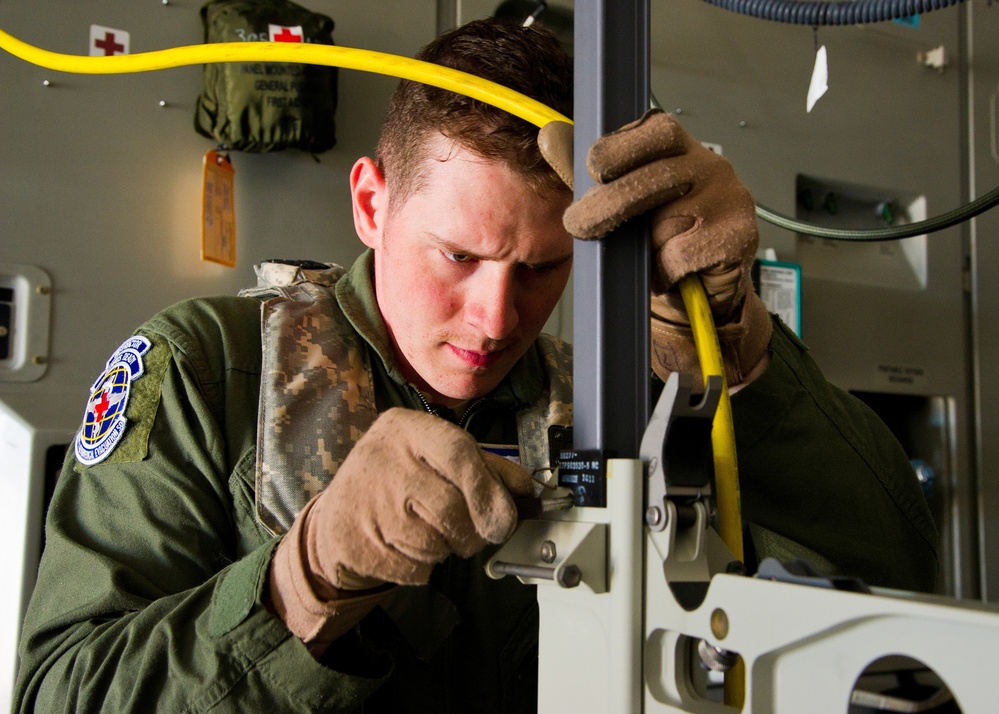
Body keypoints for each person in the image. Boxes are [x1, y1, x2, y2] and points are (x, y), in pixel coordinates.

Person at [14, 17, 937, 714]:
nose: (498, 319)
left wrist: (732, 346)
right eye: (457, 256)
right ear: (372, 204)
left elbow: (883, 574)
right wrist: (305, 578)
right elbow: (60, 691)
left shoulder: (600, 403)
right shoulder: (206, 371)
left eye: (541, 268)